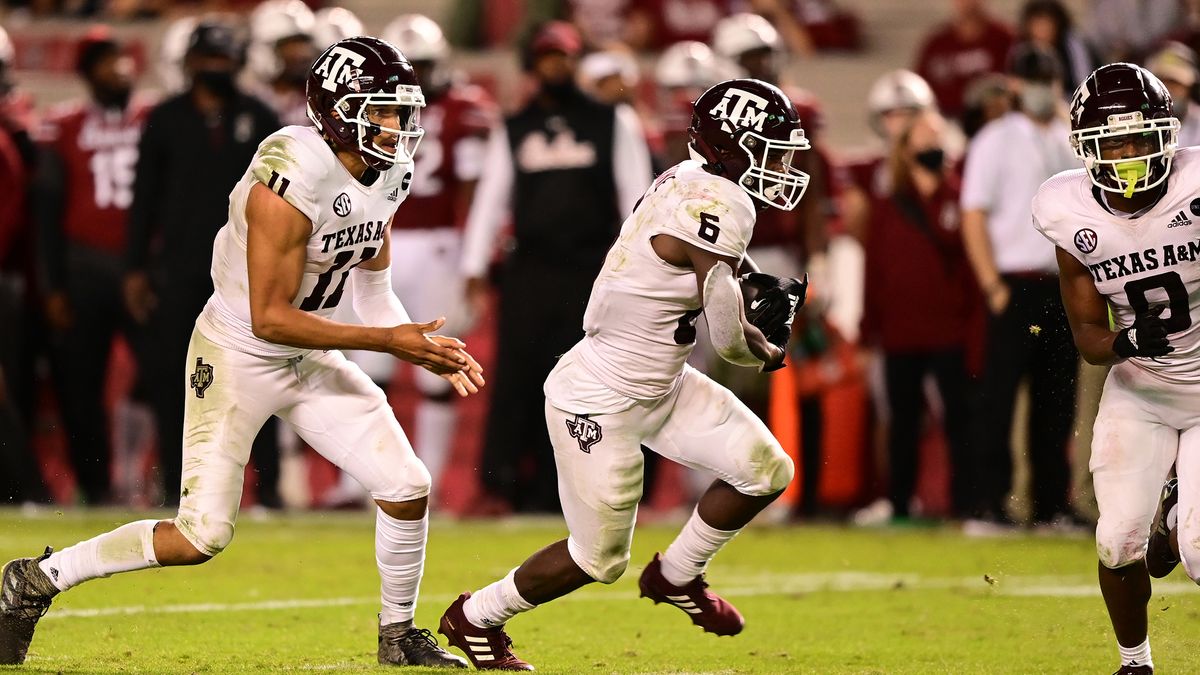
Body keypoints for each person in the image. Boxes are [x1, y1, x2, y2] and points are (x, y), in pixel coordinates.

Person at [0, 37, 484, 668]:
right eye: (381, 111)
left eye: (401, 112)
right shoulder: (289, 172)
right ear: (337, 110)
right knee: (200, 536)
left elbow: (372, 283)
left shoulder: (387, 170)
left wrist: (414, 339)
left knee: (406, 483)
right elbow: (271, 318)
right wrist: (388, 342)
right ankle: (35, 581)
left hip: (307, 351)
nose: (398, 128)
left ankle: (397, 635)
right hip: (237, 353)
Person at [437, 78, 807, 670]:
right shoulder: (719, 200)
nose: (783, 163)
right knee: (598, 559)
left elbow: (706, 265)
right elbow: (729, 340)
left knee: (765, 471)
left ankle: (677, 574)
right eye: (772, 147)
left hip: (660, 382)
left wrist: (750, 281)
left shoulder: (692, 179)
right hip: (599, 398)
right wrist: (765, 345)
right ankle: (475, 616)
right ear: (733, 144)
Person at [1031, 61, 1198, 675]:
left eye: (1139, 139)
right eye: (1113, 142)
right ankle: (1136, 664)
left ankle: (1181, 517)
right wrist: (1128, 340)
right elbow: (1089, 341)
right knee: (1118, 540)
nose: (1128, 156)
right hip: (1143, 392)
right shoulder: (1066, 209)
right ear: (1085, 150)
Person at [459, 21, 652, 513]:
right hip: (531, 268)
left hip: (592, 268)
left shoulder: (614, 121)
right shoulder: (515, 125)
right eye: (547, 58)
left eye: (563, 58)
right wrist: (475, 266)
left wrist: (641, 267)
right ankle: (504, 486)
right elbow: (491, 199)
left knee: (585, 378)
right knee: (518, 375)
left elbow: (638, 198)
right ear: (532, 64)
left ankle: (571, 487)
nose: (555, 67)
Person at [323, 13, 497, 508]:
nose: (414, 78)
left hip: (439, 241)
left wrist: (473, 260)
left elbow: (471, 188)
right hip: (374, 232)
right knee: (365, 366)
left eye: (421, 66)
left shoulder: (464, 107)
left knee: (433, 367)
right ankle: (355, 484)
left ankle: (432, 481)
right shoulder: (373, 109)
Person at [123, 20, 283, 507]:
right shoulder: (165, 118)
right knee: (177, 380)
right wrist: (135, 268)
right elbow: (143, 198)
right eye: (209, 58)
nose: (217, 68)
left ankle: (269, 490)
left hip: (245, 272)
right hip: (180, 270)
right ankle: (179, 488)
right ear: (190, 62)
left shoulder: (260, 116)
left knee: (260, 376)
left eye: (225, 58)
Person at [959, 43, 1080, 531]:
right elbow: (974, 214)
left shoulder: (1071, 136)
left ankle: (1051, 504)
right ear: (1011, 84)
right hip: (1014, 282)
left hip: (1065, 282)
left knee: (1057, 398)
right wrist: (991, 284)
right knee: (1001, 397)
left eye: (1044, 78)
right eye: (1029, 79)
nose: (1036, 89)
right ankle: (990, 502)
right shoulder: (994, 139)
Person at [33, 29, 150, 506]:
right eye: (103, 61)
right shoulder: (61, 125)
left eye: (120, 58)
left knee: (172, 377)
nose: (116, 68)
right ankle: (96, 487)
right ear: (85, 73)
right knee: (80, 387)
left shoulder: (156, 116)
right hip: (84, 267)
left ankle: (174, 483)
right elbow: (46, 213)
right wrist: (53, 287)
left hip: (144, 268)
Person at [861, 110, 976, 522]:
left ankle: (965, 502)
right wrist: (869, 326)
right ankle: (899, 503)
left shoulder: (960, 195)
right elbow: (874, 268)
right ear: (906, 147)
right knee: (903, 423)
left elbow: (965, 258)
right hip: (900, 329)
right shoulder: (890, 203)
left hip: (949, 327)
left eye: (938, 136)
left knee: (959, 421)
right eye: (925, 137)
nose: (934, 145)